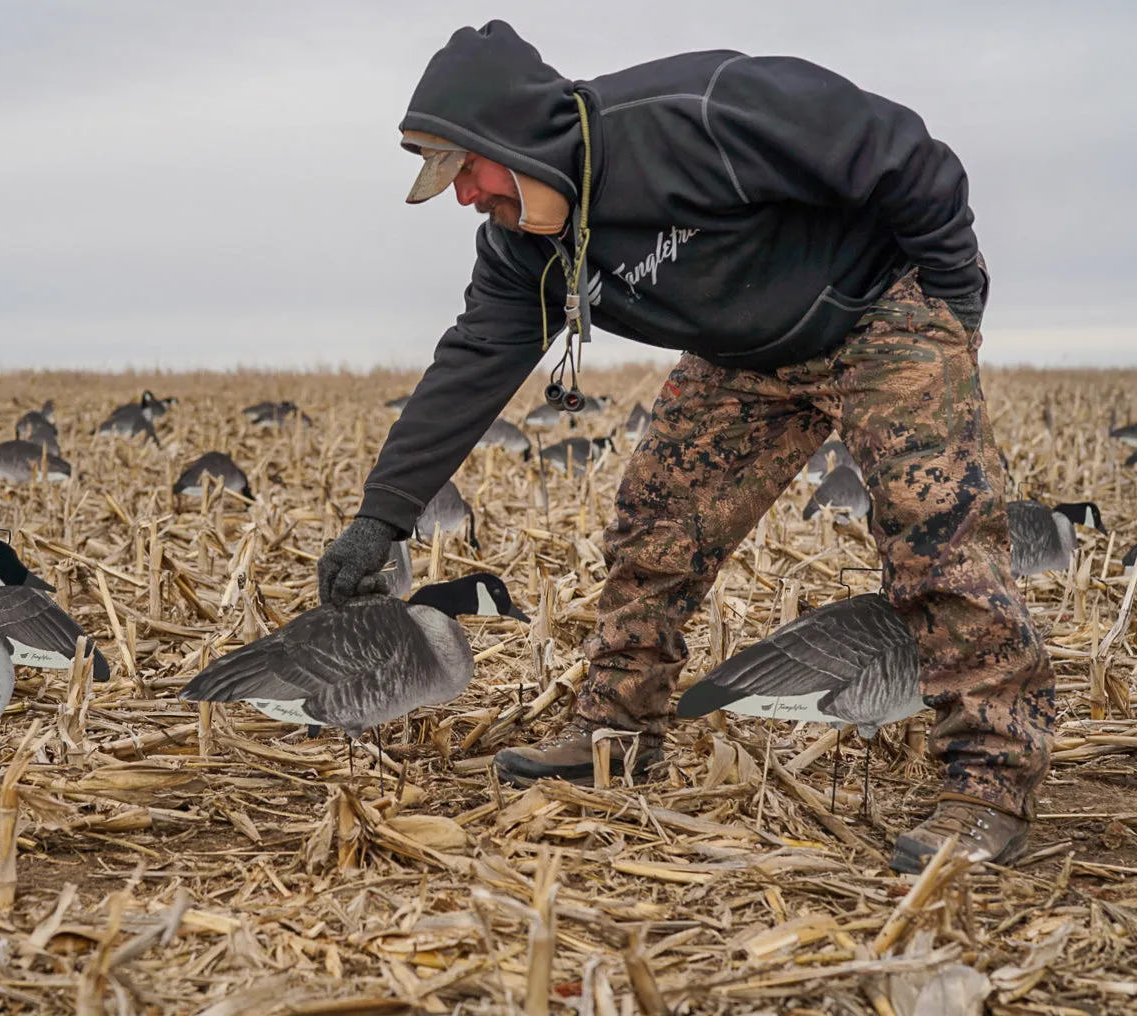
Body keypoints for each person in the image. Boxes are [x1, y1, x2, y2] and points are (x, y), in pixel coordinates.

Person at [315, 21, 1051, 874]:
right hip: (748, 353)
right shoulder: (526, 248)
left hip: (882, 305)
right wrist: (382, 521)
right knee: (654, 523)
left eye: (465, 171)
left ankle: (992, 783)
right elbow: (472, 364)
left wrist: (952, 296)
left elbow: (903, 154)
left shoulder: (696, 113)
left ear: (509, 136)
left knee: (936, 538)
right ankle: (615, 729)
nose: (463, 197)